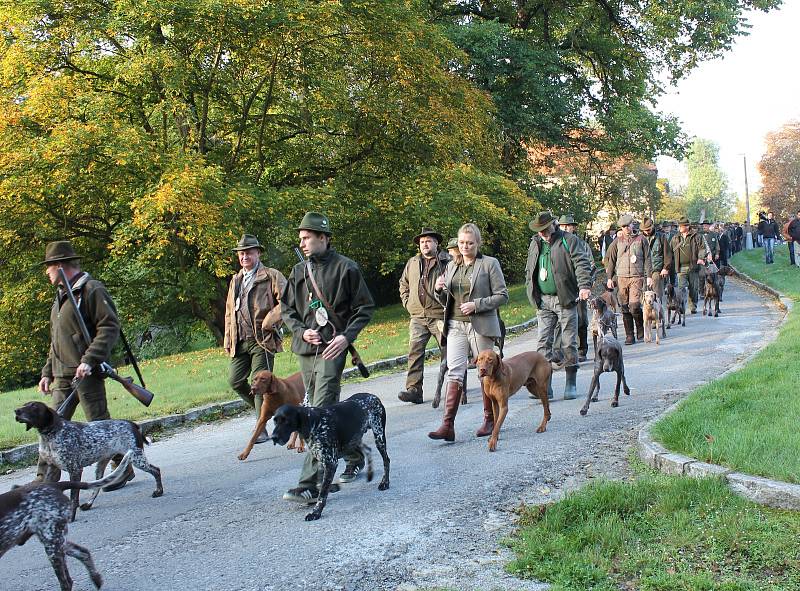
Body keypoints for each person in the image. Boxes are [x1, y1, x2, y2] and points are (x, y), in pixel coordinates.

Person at [280, 212, 375, 503]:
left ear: (323, 237)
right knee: (320, 411)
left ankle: (311, 482)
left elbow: (365, 308)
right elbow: (287, 309)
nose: (303, 243)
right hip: (306, 351)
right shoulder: (298, 272)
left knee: (318, 411)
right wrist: (300, 331)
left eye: (307, 237)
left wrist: (346, 337)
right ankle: (354, 452)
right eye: (301, 239)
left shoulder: (347, 268)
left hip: (333, 350)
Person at [36, 241, 129, 488]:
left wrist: (89, 360)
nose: (46, 272)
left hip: (86, 373)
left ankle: (122, 468)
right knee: (49, 429)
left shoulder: (91, 290)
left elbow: (109, 327)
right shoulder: (61, 296)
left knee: (99, 427)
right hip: (62, 375)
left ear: (60, 265)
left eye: (49, 267)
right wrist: (47, 372)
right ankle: (43, 483)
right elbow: (57, 341)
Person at [429, 223, 508, 442]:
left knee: (485, 371)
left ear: (478, 243)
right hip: (455, 325)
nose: (465, 247)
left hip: (481, 324)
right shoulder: (453, 266)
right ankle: (447, 426)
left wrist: (477, 304)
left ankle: (489, 420)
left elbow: (502, 295)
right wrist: (438, 290)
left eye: (470, 243)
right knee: (454, 371)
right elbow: (446, 300)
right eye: (462, 242)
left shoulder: (489, 264)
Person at [224, 234, 287, 443]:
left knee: (258, 384)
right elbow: (228, 312)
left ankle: (260, 429)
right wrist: (228, 339)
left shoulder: (271, 276)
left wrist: (271, 320)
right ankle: (271, 408)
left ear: (258, 253)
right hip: (240, 341)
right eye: (241, 253)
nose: (244, 256)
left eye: (249, 252)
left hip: (263, 340)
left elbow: (288, 301)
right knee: (235, 381)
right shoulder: (235, 280)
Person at [525, 212, 592, 400]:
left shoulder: (568, 240)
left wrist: (584, 285)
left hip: (565, 298)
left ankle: (570, 381)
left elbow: (581, 263)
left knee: (568, 341)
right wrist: (531, 291)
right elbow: (530, 269)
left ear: (554, 225)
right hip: (543, 300)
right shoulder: (535, 243)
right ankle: (545, 385)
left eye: (546, 229)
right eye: (540, 231)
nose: (544, 233)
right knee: (542, 343)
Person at [398, 228, 450, 404]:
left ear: (437, 243)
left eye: (428, 241)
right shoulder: (412, 262)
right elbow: (403, 284)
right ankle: (414, 390)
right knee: (415, 352)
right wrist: (408, 303)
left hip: (440, 315)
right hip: (418, 316)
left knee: (448, 351)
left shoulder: (447, 261)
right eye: (422, 242)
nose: (425, 244)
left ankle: (455, 386)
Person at [604, 214, 653, 345]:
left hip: (637, 277)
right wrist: (609, 278)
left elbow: (648, 258)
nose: (626, 228)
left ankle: (640, 329)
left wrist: (649, 276)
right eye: (623, 227)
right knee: (625, 307)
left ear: (633, 225)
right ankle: (629, 335)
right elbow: (610, 260)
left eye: (628, 225)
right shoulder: (617, 241)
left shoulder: (641, 239)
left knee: (635, 306)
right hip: (621, 278)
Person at [553, 214, 595, 363]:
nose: (565, 228)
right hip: (562, 289)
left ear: (573, 227)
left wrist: (587, 284)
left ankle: (582, 349)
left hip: (578, 289)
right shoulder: (556, 243)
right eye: (562, 226)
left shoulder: (582, 244)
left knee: (581, 319)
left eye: (568, 226)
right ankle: (560, 352)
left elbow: (590, 265)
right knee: (560, 321)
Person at [670, 217, 707, 314]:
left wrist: (700, 257)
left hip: (693, 267)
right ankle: (681, 306)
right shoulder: (675, 238)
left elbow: (702, 248)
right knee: (681, 288)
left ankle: (693, 306)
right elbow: (670, 251)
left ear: (687, 226)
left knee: (693, 288)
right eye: (679, 226)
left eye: (681, 226)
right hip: (680, 267)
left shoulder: (696, 237)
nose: (679, 228)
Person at [641, 218, 671, 302]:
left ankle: (658, 310)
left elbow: (667, 254)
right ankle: (645, 312)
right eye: (644, 230)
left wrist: (665, 268)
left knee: (656, 292)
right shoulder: (640, 238)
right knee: (643, 293)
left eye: (648, 229)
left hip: (657, 269)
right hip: (643, 270)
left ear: (652, 226)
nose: (646, 231)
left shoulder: (661, 237)